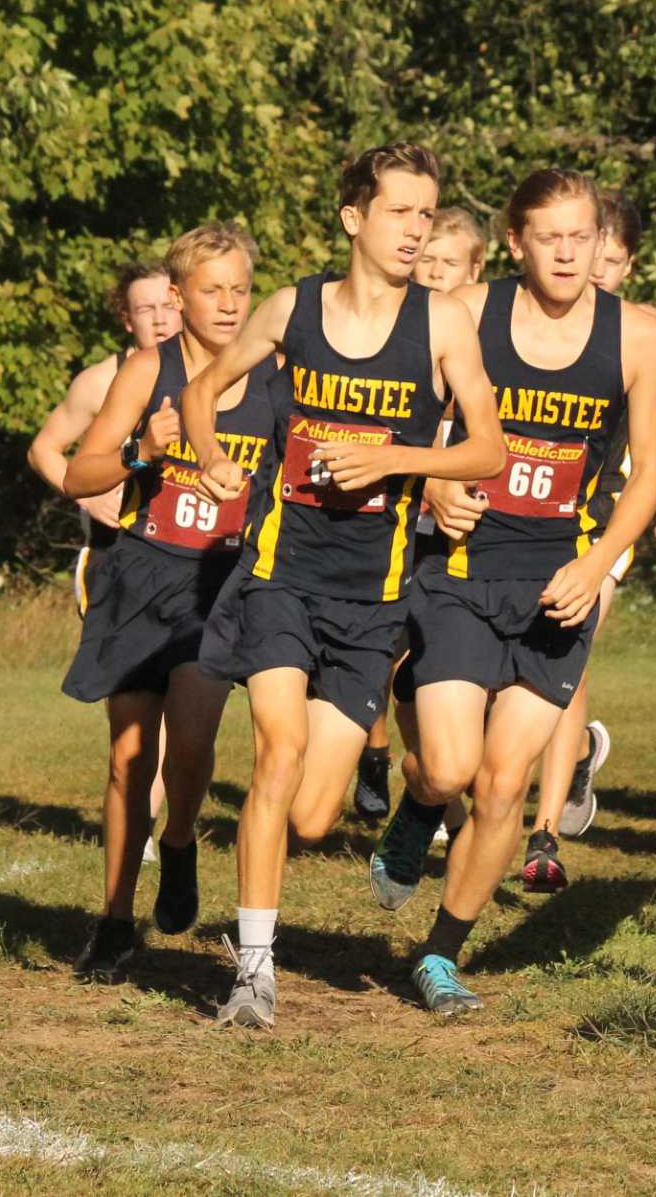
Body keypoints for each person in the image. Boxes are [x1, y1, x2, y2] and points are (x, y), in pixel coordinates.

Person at [184, 144, 504, 1030]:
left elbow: (488, 449)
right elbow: (202, 388)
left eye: (427, 213)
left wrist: (394, 459)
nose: (416, 229)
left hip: (374, 596)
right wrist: (211, 457)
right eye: (400, 212)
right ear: (354, 218)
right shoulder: (294, 308)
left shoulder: (441, 325)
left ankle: (405, 806)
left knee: (317, 815)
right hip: (282, 573)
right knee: (276, 755)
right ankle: (253, 972)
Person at [371, 168, 656, 1013]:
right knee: (452, 765)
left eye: (584, 235)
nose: (570, 251)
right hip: (462, 574)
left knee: (504, 783)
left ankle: (439, 955)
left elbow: (647, 473)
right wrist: (431, 485)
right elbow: (406, 424)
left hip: (559, 583)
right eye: (551, 236)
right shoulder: (464, 314)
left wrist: (599, 559)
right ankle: (418, 802)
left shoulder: (638, 335)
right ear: (516, 243)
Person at [58, 226, 272, 983]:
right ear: (176, 298)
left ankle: (178, 837)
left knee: (189, 742)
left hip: (221, 583)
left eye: (240, 289)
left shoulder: (277, 376)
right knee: (126, 756)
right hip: (141, 575)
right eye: (212, 290)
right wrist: (141, 451)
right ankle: (115, 920)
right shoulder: (149, 369)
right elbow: (79, 476)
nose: (228, 304)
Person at [520, 191, 656, 892]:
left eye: (613, 259)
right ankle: (562, 766)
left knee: (572, 657)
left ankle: (545, 833)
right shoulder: (531, 315)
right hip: (529, 509)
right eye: (591, 252)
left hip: (606, 513)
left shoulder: (640, 328)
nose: (595, 267)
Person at [28, 262, 181, 856]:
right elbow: (45, 448)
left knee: (181, 701)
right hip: (116, 557)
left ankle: (156, 822)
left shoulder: (208, 372)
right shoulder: (103, 380)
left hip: (190, 555)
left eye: (169, 305)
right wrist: (92, 490)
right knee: (140, 703)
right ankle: (139, 817)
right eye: (147, 310)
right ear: (127, 318)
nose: (162, 318)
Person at [355, 206, 493, 822]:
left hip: (460, 536)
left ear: (477, 269)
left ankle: (435, 791)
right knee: (389, 653)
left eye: (450, 263)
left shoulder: (479, 334)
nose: (436, 272)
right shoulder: (389, 327)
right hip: (389, 526)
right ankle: (385, 759)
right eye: (427, 259)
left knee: (435, 668)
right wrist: (427, 475)